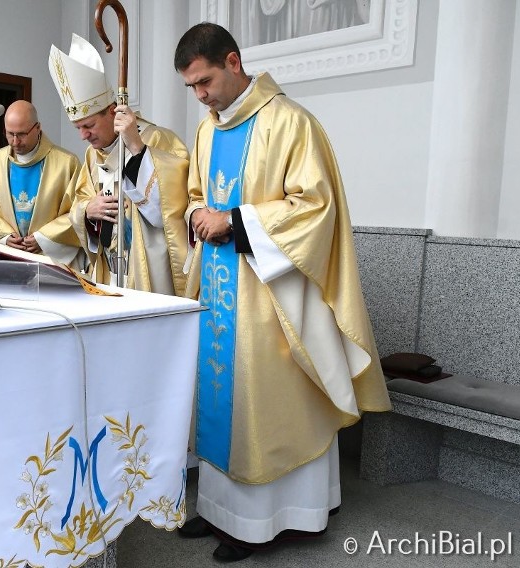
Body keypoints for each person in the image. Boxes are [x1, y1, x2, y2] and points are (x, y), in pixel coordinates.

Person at [173, 22, 391, 561]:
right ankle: (221, 511)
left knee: (267, 403)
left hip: (272, 295)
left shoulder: (291, 122)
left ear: (233, 61)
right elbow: (198, 193)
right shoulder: (207, 130)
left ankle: (267, 521)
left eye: (205, 82)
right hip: (220, 293)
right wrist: (199, 212)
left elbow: (316, 208)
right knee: (222, 399)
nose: (201, 97)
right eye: (192, 89)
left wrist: (234, 222)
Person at [49, 33, 190, 295]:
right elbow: (78, 205)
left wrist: (137, 149)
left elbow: (172, 210)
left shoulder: (158, 138)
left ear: (113, 111)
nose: (83, 135)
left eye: (89, 125)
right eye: (77, 127)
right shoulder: (92, 155)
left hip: (147, 271)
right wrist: (88, 210)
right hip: (107, 270)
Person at [0, 100, 82, 266]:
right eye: (10, 134)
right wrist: (4, 237)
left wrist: (44, 238)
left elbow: (78, 211)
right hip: (9, 254)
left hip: (49, 258)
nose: (15, 142)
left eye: (22, 134)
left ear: (38, 128)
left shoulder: (67, 163)